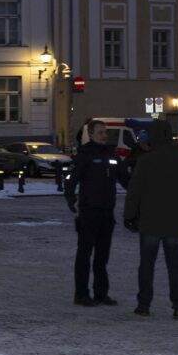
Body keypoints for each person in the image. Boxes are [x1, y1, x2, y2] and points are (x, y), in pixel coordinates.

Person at [123, 119, 178, 319]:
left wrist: (129, 215)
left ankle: (143, 304)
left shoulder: (146, 160)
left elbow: (135, 191)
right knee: (175, 265)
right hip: (175, 221)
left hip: (150, 220)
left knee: (147, 264)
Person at [65, 119, 130, 307]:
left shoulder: (112, 155)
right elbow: (71, 177)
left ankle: (101, 293)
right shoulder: (84, 155)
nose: (104, 135)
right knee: (84, 254)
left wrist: (139, 191)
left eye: (105, 132)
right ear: (91, 134)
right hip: (89, 212)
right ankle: (81, 294)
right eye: (100, 132)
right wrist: (70, 196)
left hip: (106, 212)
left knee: (102, 255)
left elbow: (124, 178)